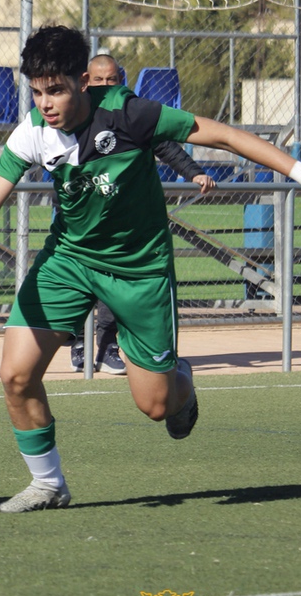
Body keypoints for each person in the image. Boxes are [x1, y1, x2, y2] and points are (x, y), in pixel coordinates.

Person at [0, 24, 301, 513]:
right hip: (69, 261)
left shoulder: (130, 114)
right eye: (37, 92)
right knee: (15, 376)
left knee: (156, 406)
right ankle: (48, 484)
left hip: (139, 271)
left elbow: (225, 135)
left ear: (83, 82)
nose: (45, 103)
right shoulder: (33, 132)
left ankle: (180, 382)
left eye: (56, 90)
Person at [68, 54, 218, 376]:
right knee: (78, 283)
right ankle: (78, 343)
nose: (105, 86)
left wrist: (193, 172)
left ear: (121, 81)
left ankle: (107, 346)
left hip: (121, 222)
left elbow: (164, 144)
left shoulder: (129, 113)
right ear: (85, 82)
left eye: (112, 80)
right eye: (98, 80)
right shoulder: (73, 114)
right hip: (81, 221)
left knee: (114, 286)